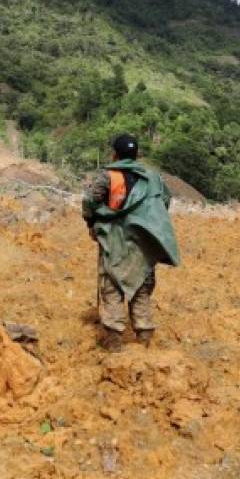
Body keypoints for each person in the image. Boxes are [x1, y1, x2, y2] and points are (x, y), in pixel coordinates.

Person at [82, 134, 180, 352]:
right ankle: (144, 339)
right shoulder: (152, 178)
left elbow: (90, 201)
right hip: (144, 243)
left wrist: (93, 223)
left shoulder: (108, 176)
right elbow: (164, 201)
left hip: (115, 240)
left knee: (113, 286)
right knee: (141, 288)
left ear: (115, 154)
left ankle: (115, 345)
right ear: (137, 155)